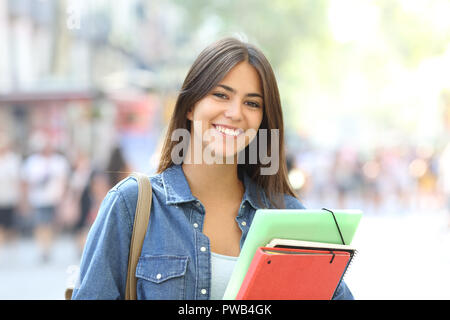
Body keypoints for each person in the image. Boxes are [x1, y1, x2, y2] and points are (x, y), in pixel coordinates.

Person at [72, 37, 354, 300]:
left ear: (262, 121)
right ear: (191, 107)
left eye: (252, 103)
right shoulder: (131, 205)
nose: (235, 112)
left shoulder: (289, 217)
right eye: (221, 95)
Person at [21, 132, 70, 263]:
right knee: (40, 223)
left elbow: (64, 181)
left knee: (51, 224)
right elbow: (25, 182)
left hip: (54, 199)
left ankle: (48, 247)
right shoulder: (32, 162)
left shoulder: (59, 161)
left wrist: (64, 199)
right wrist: (24, 200)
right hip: (37, 199)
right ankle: (42, 248)